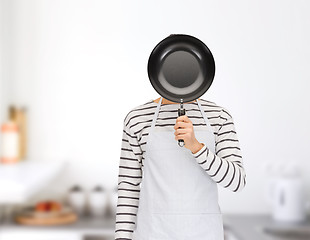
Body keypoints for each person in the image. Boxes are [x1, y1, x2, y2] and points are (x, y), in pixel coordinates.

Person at [115, 96, 246, 240]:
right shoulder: (137, 119)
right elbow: (128, 186)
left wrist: (196, 147)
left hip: (204, 234)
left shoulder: (219, 116)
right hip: (153, 233)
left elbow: (237, 181)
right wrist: (122, 237)